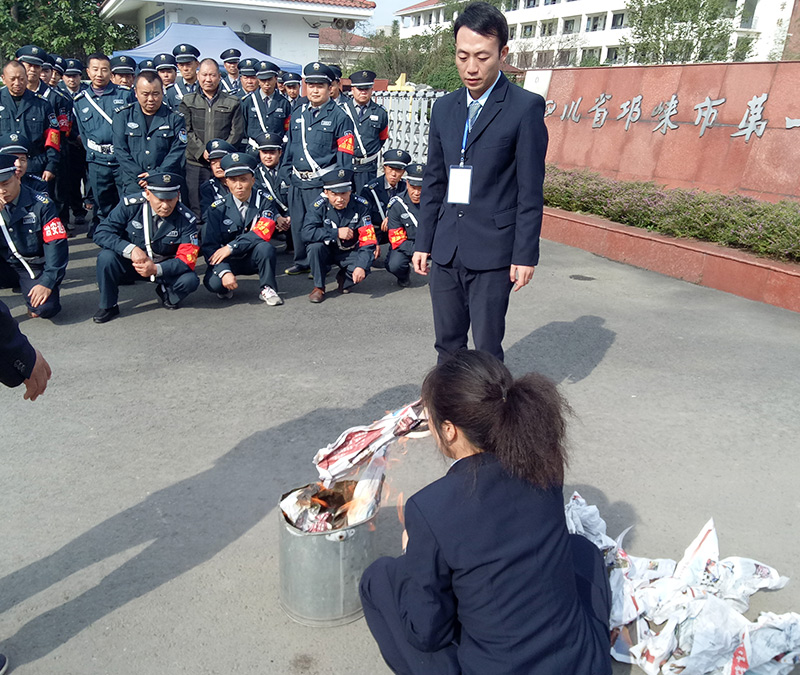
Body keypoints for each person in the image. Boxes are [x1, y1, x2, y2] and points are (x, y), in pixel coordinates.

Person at [360, 349, 613, 675]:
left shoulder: (431, 508)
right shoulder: (545, 464)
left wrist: (415, 554)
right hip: (583, 664)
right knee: (582, 550)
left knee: (378, 578)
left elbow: (427, 632)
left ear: (449, 430)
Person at [413, 3, 548, 364]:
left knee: (487, 349)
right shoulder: (444, 107)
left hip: (493, 250)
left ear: (503, 54)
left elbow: (530, 189)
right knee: (447, 346)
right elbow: (435, 180)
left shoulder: (525, 108)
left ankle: (490, 420)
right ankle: (451, 417)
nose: (471, 68)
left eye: (482, 57)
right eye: (463, 56)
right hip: (445, 249)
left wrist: (524, 253)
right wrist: (423, 241)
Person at [92, 172, 200, 322]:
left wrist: (156, 269)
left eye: (170, 199)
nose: (165, 205)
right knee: (106, 257)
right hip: (133, 264)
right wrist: (130, 249)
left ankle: (167, 293)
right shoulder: (130, 206)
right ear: (148, 194)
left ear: (178, 196)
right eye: (160, 199)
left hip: (163, 268)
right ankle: (108, 305)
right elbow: (102, 232)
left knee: (190, 280)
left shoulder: (187, 219)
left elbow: (187, 259)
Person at [282, 61, 354, 277]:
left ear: (329, 88)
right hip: (298, 181)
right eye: (310, 85)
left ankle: (320, 264)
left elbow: (345, 156)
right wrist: (285, 173)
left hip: (321, 183)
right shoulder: (298, 114)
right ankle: (302, 261)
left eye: (320, 86)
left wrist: (338, 186)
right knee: (298, 224)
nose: (314, 90)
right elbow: (290, 147)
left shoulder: (340, 117)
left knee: (318, 223)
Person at [201, 152, 283, 306]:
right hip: (226, 260)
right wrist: (224, 271)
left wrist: (232, 247)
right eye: (233, 180)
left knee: (266, 248)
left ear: (253, 180)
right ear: (226, 182)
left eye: (243, 180)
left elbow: (263, 232)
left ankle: (267, 288)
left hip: (251, 256)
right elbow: (210, 246)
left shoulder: (265, 201)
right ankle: (226, 284)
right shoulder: (216, 209)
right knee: (214, 284)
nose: (238, 186)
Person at [0, 153, 68, 319]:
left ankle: (30, 290)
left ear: (17, 176)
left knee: (45, 309)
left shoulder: (42, 205)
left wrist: (48, 282)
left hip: (31, 265)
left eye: (5, 183)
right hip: (3, 263)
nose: (2, 190)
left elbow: (56, 245)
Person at [180, 58, 244, 219]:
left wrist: (220, 155)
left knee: (225, 204)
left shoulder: (232, 102)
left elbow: (236, 132)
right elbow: (185, 131)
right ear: (198, 75)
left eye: (213, 75)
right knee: (196, 206)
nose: (208, 79)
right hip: (196, 163)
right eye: (204, 75)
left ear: (219, 77)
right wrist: (201, 151)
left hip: (222, 164)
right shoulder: (188, 101)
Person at [73, 53, 129, 235]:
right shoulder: (80, 101)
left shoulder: (125, 95)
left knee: (125, 198)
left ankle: (125, 232)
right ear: (88, 72)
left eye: (104, 70)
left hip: (121, 158)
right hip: (97, 160)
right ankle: (107, 233)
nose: (99, 74)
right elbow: (83, 132)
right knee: (102, 200)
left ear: (110, 73)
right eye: (95, 69)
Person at [302, 169, 376, 303]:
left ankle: (344, 277)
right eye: (334, 194)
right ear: (326, 192)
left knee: (364, 265)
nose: (340, 199)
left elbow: (368, 239)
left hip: (349, 251)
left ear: (350, 191)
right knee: (314, 247)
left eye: (344, 193)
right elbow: (306, 233)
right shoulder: (318, 206)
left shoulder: (361, 205)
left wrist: (361, 266)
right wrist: (336, 233)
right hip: (326, 250)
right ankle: (319, 287)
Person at [113, 71, 187, 193]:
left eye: (156, 94)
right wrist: (139, 175)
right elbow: (120, 150)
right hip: (134, 182)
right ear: (136, 93)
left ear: (163, 92)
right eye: (145, 94)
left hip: (164, 180)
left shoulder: (175, 118)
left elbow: (177, 151)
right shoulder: (123, 116)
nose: (151, 99)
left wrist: (155, 174)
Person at [0, 60, 60, 188]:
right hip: (3, 169)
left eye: (22, 79)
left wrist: (51, 166)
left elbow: (53, 137)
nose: (18, 83)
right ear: (3, 79)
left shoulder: (42, 104)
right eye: (13, 79)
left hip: (34, 167)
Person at [343, 70, 389, 193]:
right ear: (352, 89)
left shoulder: (380, 112)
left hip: (367, 167)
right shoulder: (341, 110)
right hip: (344, 165)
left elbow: (382, 138)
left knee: (365, 202)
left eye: (367, 89)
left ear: (371, 90)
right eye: (360, 89)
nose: (363, 92)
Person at [385, 162, 423, 288]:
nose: (416, 192)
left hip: (433, 245)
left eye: (421, 187)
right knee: (394, 264)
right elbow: (397, 239)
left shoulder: (436, 202)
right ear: (407, 184)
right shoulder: (397, 205)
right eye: (413, 187)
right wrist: (418, 250)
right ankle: (404, 275)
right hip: (408, 244)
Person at [241, 60, 290, 148]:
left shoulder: (284, 103)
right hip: (254, 148)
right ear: (258, 80)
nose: (266, 83)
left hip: (275, 150)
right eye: (263, 80)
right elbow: (242, 128)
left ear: (275, 79)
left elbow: (287, 129)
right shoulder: (249, 101)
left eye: (269, 79)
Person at [252, 132, 290, 229]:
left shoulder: (289, 171)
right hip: (269, 220)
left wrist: (290, 217)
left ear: (280, 153)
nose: (268, 157)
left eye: (272, 152)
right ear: (259, 153)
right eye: (264, 152)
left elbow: (297, 197)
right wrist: (277, 217)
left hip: (292, 218)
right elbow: (261, 200)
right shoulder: (255, 174)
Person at [199, 139, 235, 216]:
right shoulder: (208, 188)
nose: (218, 166)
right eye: (213, 163)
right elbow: (206, 215)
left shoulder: (244, 183)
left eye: (221, 162)